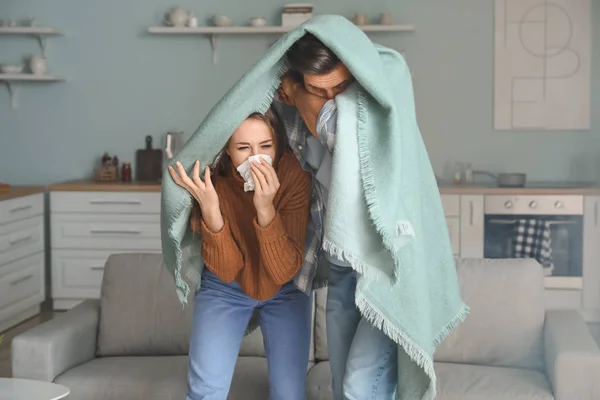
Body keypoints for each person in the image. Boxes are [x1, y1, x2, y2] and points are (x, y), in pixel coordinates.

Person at [275, 33, 398, 400]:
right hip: (342, 261)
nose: (333, 99)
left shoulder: (372, 103)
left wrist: (300, 94)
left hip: (385, 267)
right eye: (319, 90)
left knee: (360, 385)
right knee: (344, 385)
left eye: (340, 87)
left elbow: (335, 128)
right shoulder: (292, 119)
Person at [168, 107, 313, 400]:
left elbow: (285, 270)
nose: (255, 158)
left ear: (278, 144)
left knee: (289, 394)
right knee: (204, 392)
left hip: (285, 288)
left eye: (266, 147)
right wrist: (211, 210)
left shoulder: (293, 176)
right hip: (225, 287)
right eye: (243, 148)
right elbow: (227, 269)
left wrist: (265, 208)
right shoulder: (213, 181)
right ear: (226, 149)